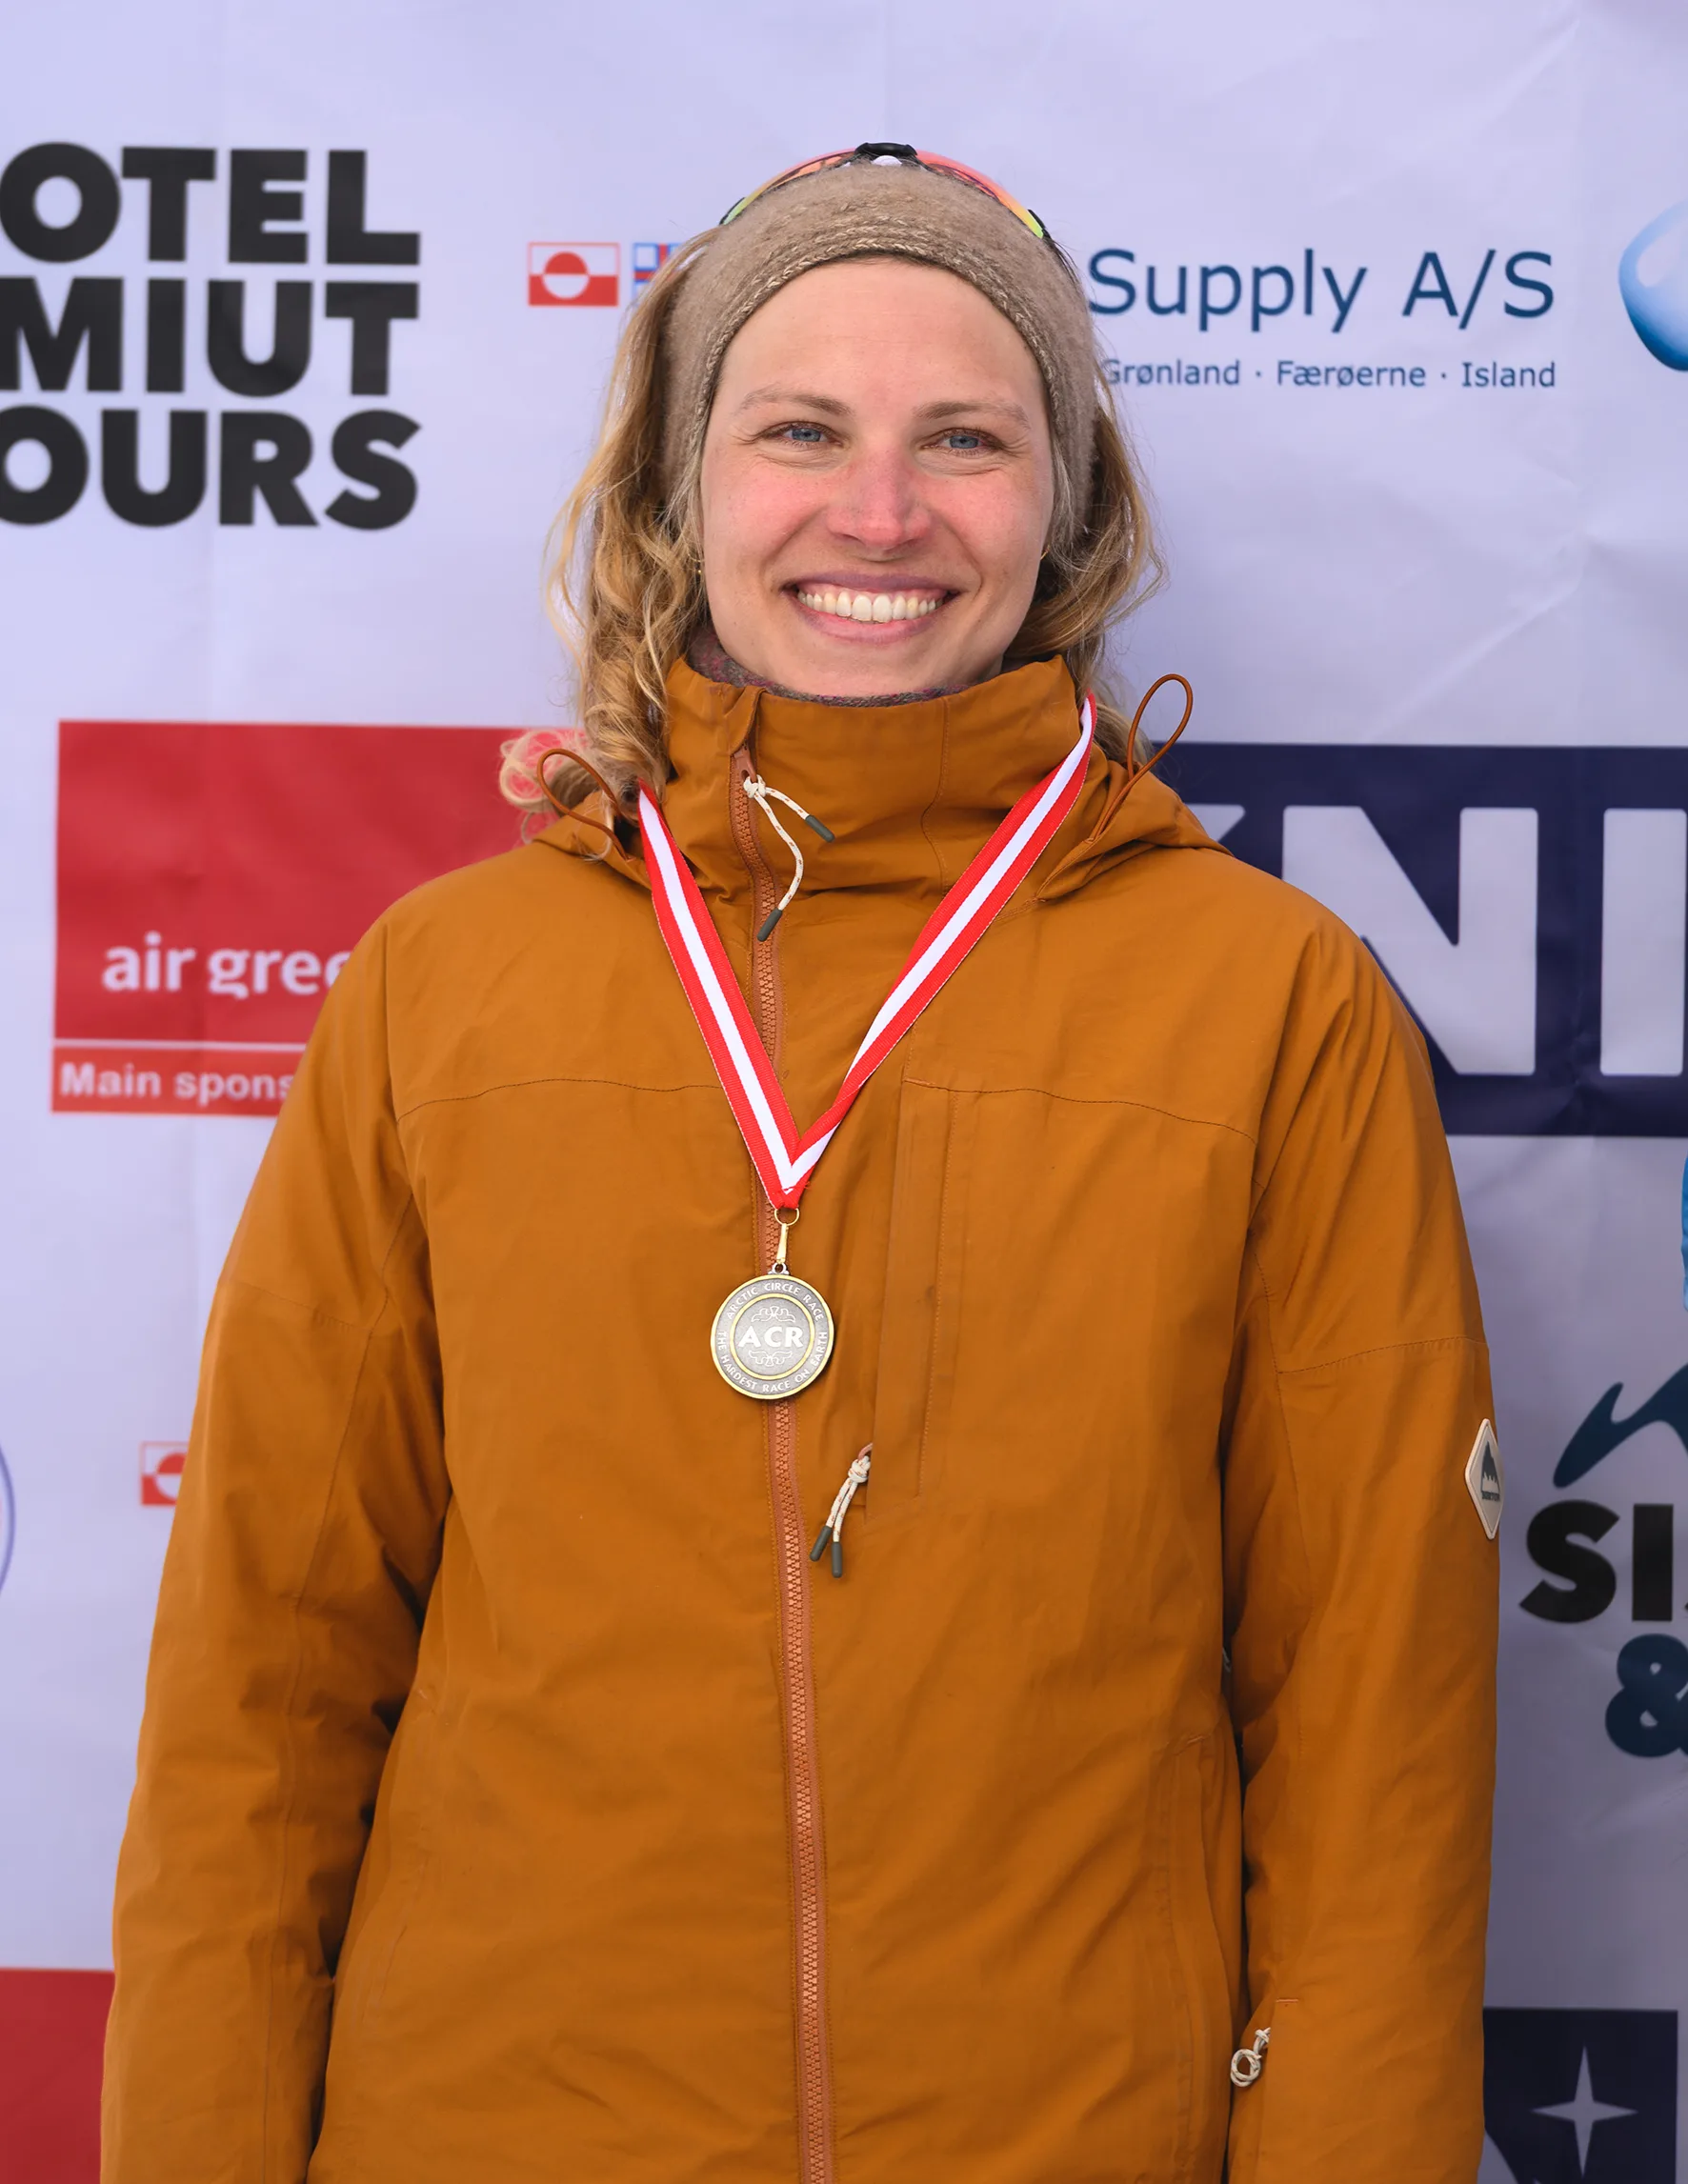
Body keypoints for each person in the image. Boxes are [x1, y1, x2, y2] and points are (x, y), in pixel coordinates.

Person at [102, 146, 1499, 2184]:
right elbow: (264, 1683)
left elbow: (1378, 1734)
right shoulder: (441, 989)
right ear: (680, 488)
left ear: (1069, 505)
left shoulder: (1271, 1003)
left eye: (966, 438)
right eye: (800, 432)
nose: (882, 513)